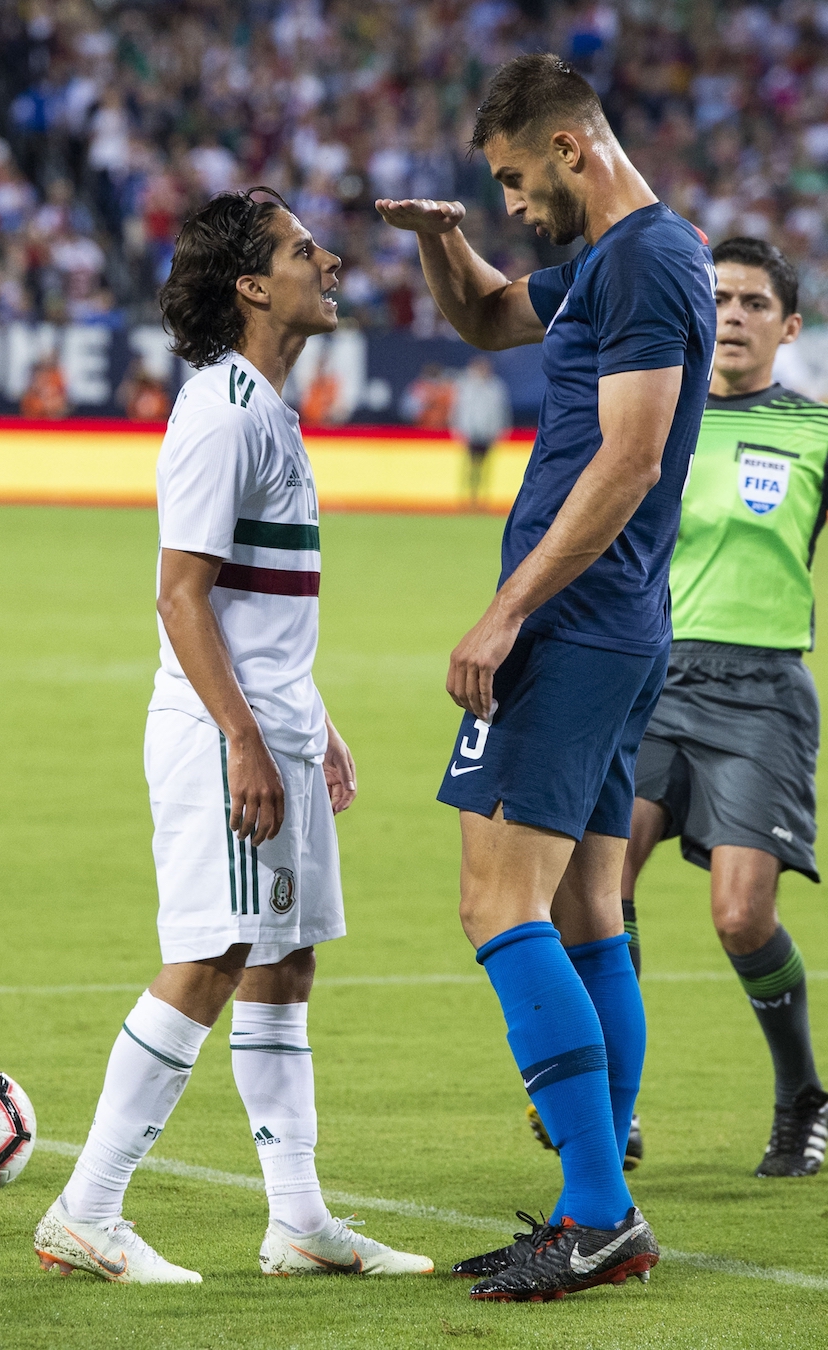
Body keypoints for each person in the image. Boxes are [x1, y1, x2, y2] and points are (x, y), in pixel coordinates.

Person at [33, 189, 433, 1284]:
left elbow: (259, 605)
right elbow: (180, 598)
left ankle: (298, 1223)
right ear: (253, 285)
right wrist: (249, 744)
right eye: (307, 250)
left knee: (283, 963)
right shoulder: (220, 409)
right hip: (225, 736)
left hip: (275, 726)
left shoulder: (268, 406)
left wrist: (315, 723)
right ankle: (88, 1206)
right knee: (211, 955)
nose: (333, 260)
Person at [377, 52, 716, 1302]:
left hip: (572, 624)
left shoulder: (646, 260)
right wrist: (439, 243)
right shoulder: (608, 263)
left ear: (572, 149)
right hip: (615, 624)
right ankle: (603, 1188)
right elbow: (488, 316)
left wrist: (505, 613)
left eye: (517, 181)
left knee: (494, 904)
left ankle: (597, 1211)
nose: (514, 206)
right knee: (585, 914)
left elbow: (626, 460)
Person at [621, 237, 828, 1177]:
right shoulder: (656, 418)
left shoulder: (817, 433)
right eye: (721, 300)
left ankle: (802, 1097)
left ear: (789, 326)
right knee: (594, 883)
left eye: (754, 302)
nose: (735, 314)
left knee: (741, 918)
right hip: (653, 683)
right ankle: (610, 1104)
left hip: (762, 695)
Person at [451, 356, 512, 509]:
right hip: (471, 433)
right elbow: (459, 410)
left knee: (485, 469)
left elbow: (502, 411)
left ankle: (482, 500)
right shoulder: (466, 385)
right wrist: (459, 430)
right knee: (469, 467)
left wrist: (501, 430)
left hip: (488, 433)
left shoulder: (496, 386)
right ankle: (466, 499)